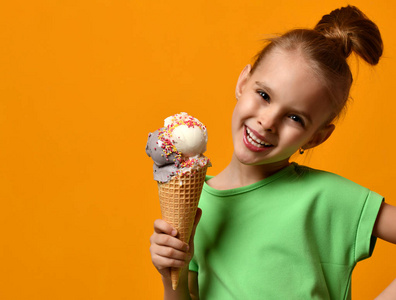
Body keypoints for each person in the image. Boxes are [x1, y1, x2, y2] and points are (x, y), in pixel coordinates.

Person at [149, 5, 396, 299]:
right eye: (264, 95)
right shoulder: (197, 206)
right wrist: (170, 277)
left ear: (316, 137)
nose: (267, 122)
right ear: (243, 82)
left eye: (295, 118)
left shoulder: (325, 197)